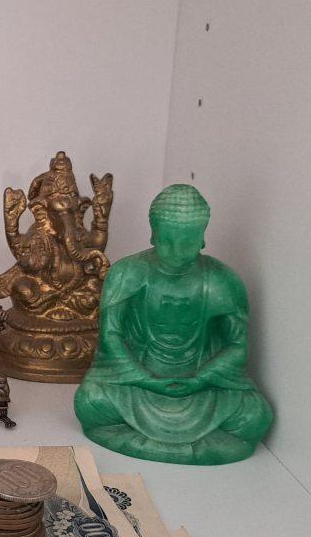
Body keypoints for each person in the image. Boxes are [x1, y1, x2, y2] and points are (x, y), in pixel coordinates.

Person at [74, 184, 273, 464]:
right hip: (137, 383)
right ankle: (201, 445)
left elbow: (237, 346)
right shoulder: (127, 273)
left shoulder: (222, 280)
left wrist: (201, 379)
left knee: (255, 415)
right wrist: (145, 379)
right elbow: (111, 337)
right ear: (152, 234)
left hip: (201, 385)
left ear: (202, 238)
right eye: (167, 241)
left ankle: (142, 439)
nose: (177, 252)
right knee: (90, 400)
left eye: (187, 242)